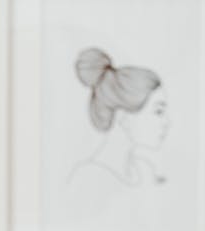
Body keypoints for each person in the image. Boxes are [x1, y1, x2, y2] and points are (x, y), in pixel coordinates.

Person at [67, 47, 170, 198]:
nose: (167, 123)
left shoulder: (144, 170)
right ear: (124, 117)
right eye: (158, 112)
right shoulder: (88, 181)